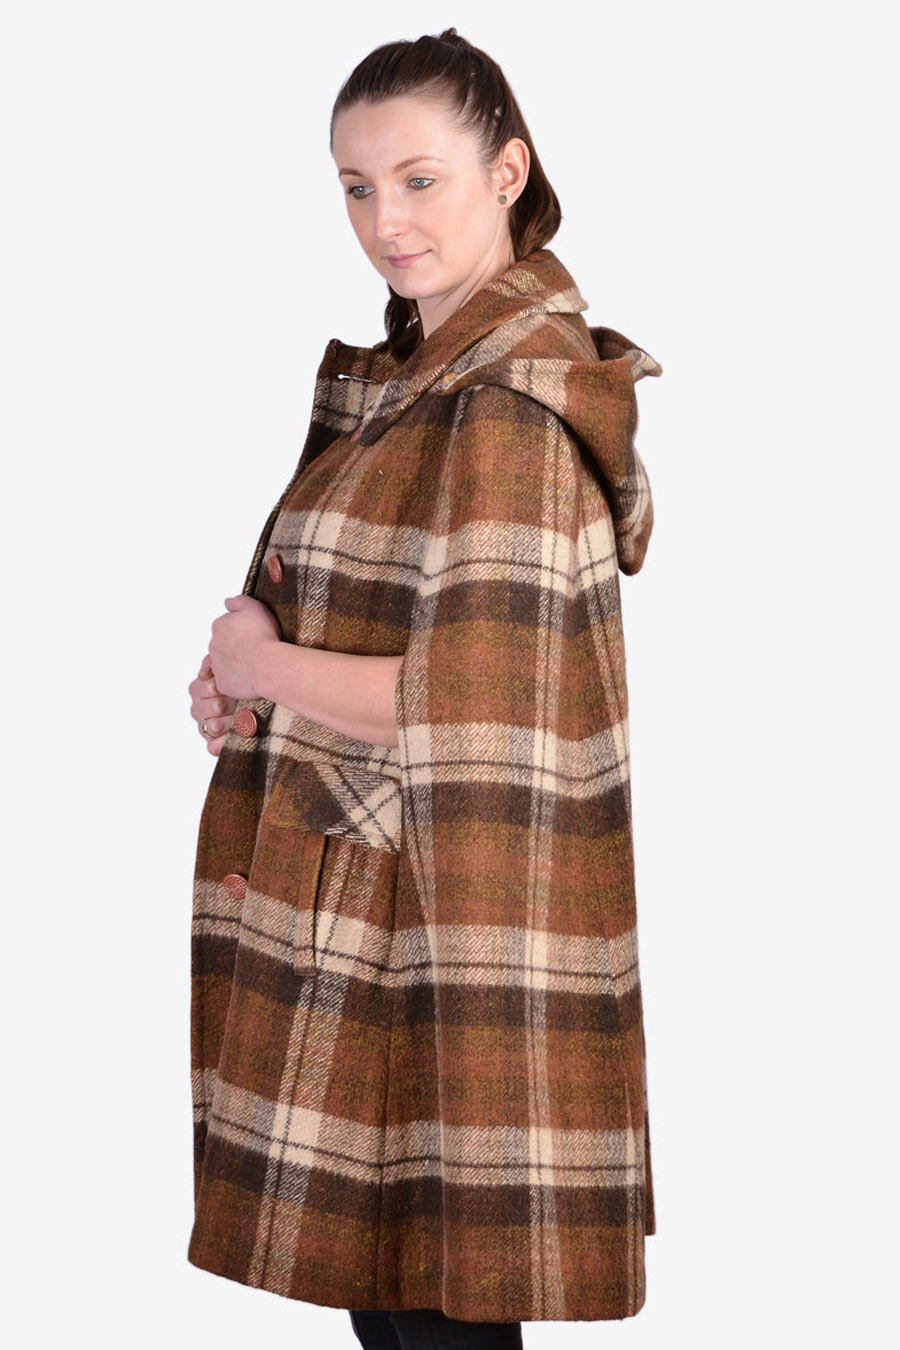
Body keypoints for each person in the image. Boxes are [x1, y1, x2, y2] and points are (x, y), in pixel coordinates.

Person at [186, 28, 662, 1348]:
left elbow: (476, 708)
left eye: (418, 180)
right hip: (381, 910)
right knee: (400, 1316)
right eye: (356, 186)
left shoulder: (504, 405)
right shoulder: (417, 384)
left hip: (439, 936)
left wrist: (265, 667)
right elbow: (383, 621)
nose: (384, 222)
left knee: (439, 1327)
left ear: (508, 171)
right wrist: (250, 687)